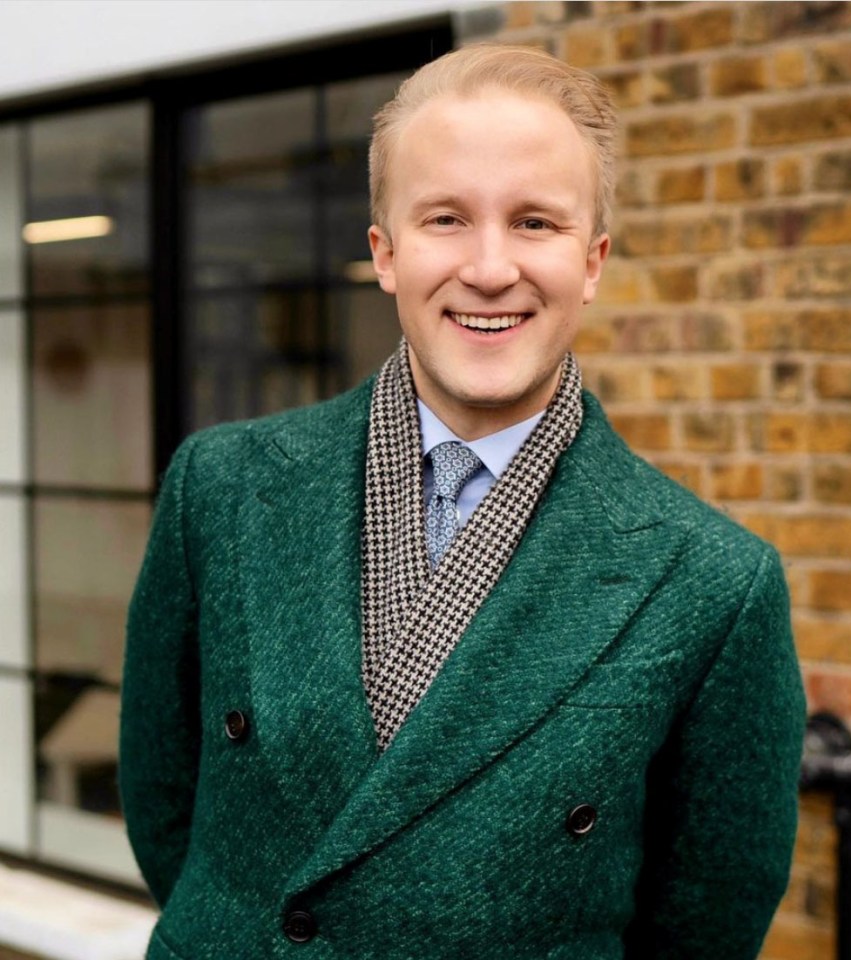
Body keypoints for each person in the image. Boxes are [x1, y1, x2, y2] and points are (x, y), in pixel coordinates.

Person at [120, 44, 805, 960]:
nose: (489, 268)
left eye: (535, 223)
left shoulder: (716, 584)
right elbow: (165, 810)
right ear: (386, 253)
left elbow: (704, 925)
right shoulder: (221, 488)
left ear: (592, 261)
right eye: (446, 218)